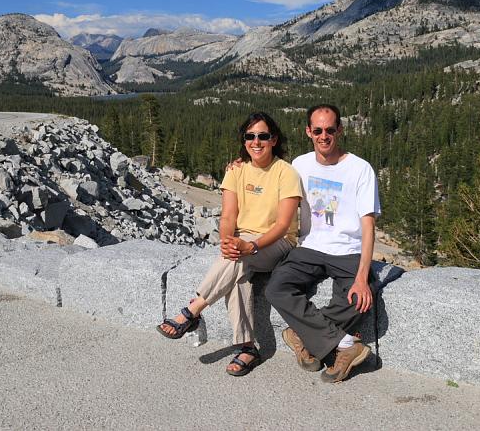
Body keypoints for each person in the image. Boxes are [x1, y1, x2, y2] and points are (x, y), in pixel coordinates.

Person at [157, 112, 302, 376]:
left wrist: (253, 246)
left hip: (278, 242)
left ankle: (192, 310)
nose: (256, 142)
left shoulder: (286, 172)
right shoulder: (236, 170)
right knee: (237, 275)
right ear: (244, 140)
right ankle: (247, 347)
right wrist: (227, 241)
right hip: (243, 240)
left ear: (274, 139)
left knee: (238, 257)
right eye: (250, 136)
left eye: (262, 136)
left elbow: (283, 226)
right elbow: (227, 216)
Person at [265, 104, 381, 384]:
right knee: (276, 288)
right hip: (309, 247)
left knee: (360, 299)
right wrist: (239, 163)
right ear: (308, 132)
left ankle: (300, 334)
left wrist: (363, 278)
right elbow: (266, 168)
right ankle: (344, 345)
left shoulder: (360, 169)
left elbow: (368, 227)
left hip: (347, 250)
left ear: (339, 130)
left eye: (330, 129)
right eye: (317, 130)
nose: (324, 136)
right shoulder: (300, 165)